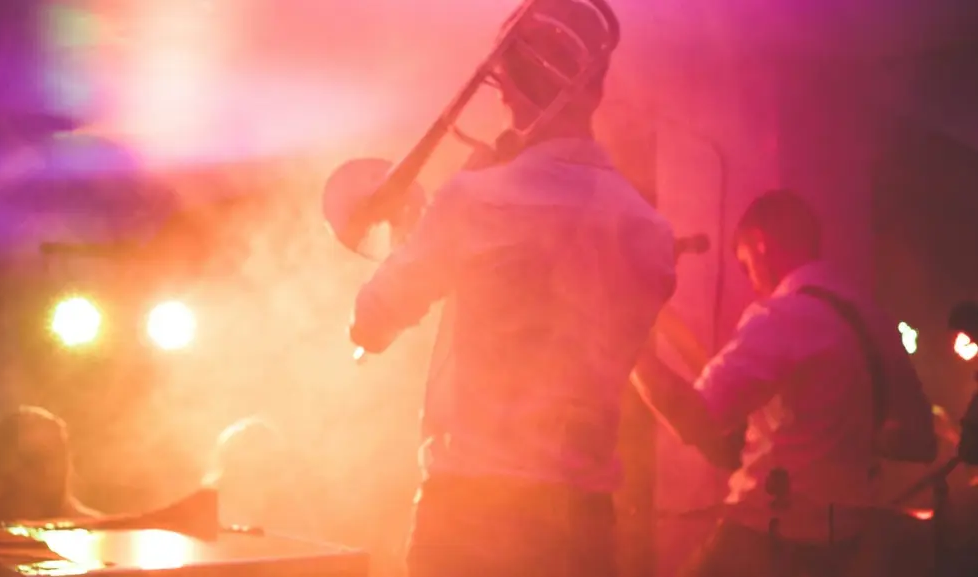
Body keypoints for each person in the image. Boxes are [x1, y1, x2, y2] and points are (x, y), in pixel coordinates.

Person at [348, 2, 676, 576]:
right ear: (596, 90)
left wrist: (426, 226)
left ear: (509, 91)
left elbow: (370, 323)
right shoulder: (650, 231)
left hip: (469, 514)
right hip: (581, 524)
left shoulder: (473, 200)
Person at [632, 189, 937, 576]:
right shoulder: (875, 320)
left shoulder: (780, 317)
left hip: (764, 542)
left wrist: (626, 341)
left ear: (760, 245)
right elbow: (921, 440)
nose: (753, 285)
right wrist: (839, 443)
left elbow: (694, 419)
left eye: (745, 266)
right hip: (844, 548)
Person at [0, 405, 99, 521]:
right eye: (34, 459)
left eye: (58, 455)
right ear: (2, 463)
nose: (50, 470)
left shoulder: (95, 534)